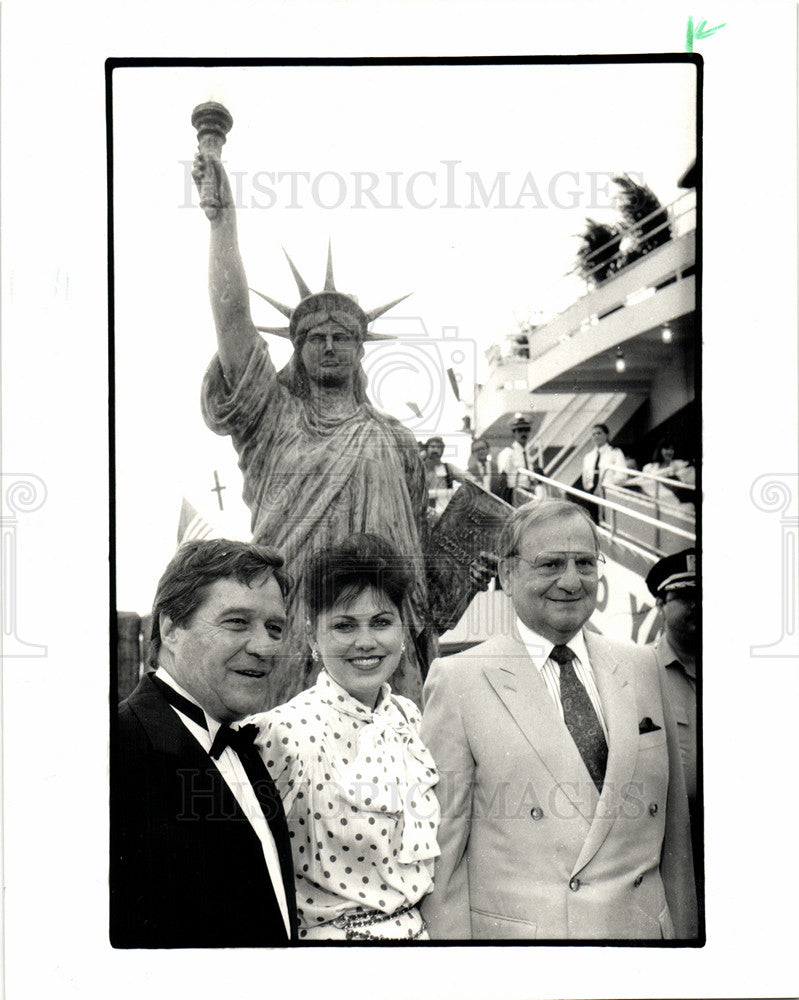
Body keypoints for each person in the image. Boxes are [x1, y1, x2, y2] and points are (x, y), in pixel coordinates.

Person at [192, 147, 431, 707]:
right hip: (293, 620)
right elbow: (232, 319)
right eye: (315, 336)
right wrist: (224, 222)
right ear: (296, 350)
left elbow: (416, 547)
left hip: (382, 634)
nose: (328, 344)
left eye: (342, 336)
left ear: (359, 349)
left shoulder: (395, 438)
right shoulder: (272, 418)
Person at [421, 499, 697, 940]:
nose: (571, 581)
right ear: (508, 576)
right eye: (550, 564)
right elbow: (442, 857)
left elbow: (676, 847)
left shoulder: (643, 666)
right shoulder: (458, 681)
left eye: (585, 563)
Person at [248, 534, 440, 940]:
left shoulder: (410, 719)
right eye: (344, 626)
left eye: (381, 622)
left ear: (402, 631)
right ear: (313, 636)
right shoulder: (282, 734)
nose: (366, 642)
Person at [110, 539, 298, 948]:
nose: (265, 647)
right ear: (171, 628)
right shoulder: (117, 752)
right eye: (236, 622)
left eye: (275, 628)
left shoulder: (248, 747)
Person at [646, 549, 698, 819]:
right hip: (671, 827)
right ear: (660, 605)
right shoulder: (642, 671)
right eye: (686, 596)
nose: (697, 605)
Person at [633, 439, 696, 510]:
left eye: (672, 449)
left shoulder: (679, 464)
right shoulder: (649, 467)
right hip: (654, 503)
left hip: (674, 503)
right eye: (666, 448)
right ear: (660, 450)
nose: (669, 451)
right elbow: (643, 485)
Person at [423, 436, 468, 517]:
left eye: (439, 447)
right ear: (427, 449)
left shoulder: (448, 467)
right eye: (432, 447)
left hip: (442, 509)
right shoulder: (420, 468)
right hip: (424, 507)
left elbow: (467, 479)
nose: (435, 450)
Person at [496, 412, 535, 498]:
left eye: (526, 430)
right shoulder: (508, 453)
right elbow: (503, 478)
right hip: (515, 492)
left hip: (529, 492)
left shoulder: (528, 455)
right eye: (520, 430)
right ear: (514, 433)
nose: (523, 433)